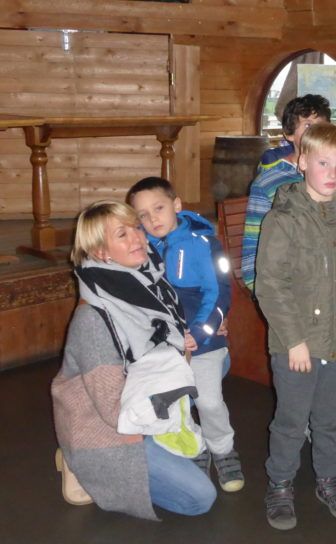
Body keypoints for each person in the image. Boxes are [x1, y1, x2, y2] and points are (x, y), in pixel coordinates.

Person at [51, 200, 216, 519]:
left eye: (136, 228)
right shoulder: (94, 320)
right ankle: (76, 461)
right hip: (106, 423)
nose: (138, 238)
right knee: (199, 498)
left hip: (144, 397)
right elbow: (113, 410)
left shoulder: (148, 286)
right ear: (101, 252)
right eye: (122, 234)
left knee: (198, 451)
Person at [255, 123, 336, 531]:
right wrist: (294, 341)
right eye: (323, 163)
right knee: (291, 420)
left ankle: (328, 479)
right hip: (297, 345)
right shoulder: (283, 219)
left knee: (331, 420)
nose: (333, 173)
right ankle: (280, 483)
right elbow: (270, 285)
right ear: (302, 162)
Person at [126, 177, 243, 493]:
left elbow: (219, 292)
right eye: (143, 215)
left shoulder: (204, 243)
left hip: (203, 343)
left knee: (208, 401)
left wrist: (202, 331)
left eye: (159, 208)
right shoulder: (140, 250)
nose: (153, 219)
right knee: (177, 403)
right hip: (164, 346)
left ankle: (223, 449)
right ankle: (196, 446)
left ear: (176, 205)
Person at [242, 94, 336, 292]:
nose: (316, 133)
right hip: (291, 285)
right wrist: (265, 293)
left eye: (321, 126)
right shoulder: (267, 183)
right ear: (289, 134)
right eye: (308, 125)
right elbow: (253, 252)